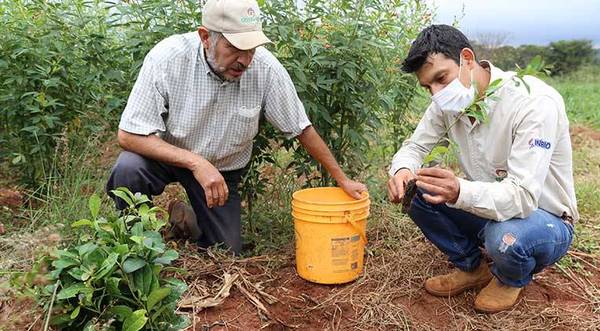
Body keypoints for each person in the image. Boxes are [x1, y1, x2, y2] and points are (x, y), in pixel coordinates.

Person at [106, 0, 366, 255]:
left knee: (225, 250)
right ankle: (133, 246)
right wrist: (196, 163)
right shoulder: (168, 59)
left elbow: (301, 128)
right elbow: (129, 135)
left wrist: (342, 179)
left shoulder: (266, 69)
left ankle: (186, 218)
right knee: (129, 168)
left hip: (221, 170)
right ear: (205, 37)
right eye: (234, 48)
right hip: (166, 155)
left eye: (251, 49)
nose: (245, 60)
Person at [387, 25, 578, 313]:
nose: (436, 94)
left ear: (466, 59)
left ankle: (511, 278)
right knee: (417, 191)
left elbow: (524, 197)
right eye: (428, 87)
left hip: (543, 217)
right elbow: (414, 147)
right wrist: (402, 170)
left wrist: (459, 190)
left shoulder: (534, 103)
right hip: (490, 211)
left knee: (505, 237)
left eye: (441, 78)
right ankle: (472, 267)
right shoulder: (447, 105)